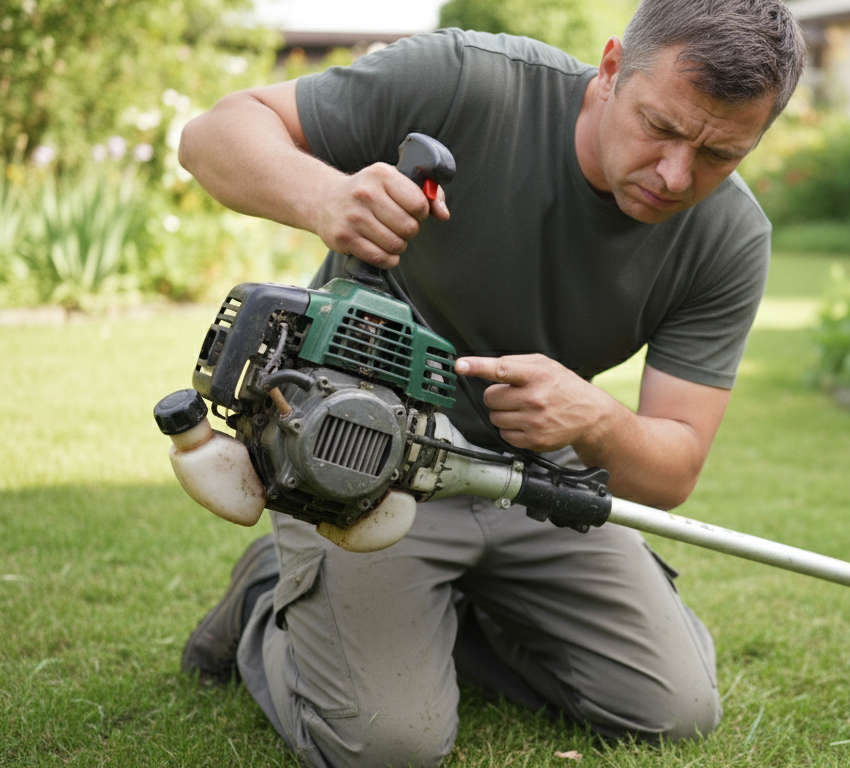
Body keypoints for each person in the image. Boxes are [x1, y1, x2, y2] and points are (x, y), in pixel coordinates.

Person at [176, 0, 804, 764]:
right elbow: (211, 137)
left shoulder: (730, 237)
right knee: (388, 749)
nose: (676, 175)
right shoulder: (470, 82)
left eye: (720, 154)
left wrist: (596, 422)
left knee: (675, 711)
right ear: (611, 69)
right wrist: (325, 197)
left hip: (533, 478)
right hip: (362, 454)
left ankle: (438, 614)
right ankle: (267, 597)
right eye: (660, 127)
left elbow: (672, 472)